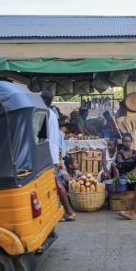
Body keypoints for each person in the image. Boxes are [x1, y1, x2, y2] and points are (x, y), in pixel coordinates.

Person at [41, 91, 76, 222]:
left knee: (57, 184)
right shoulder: (51, 114)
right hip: (51, 154)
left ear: (44, 101)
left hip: (48, 155)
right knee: (52, 184)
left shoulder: (45, 114)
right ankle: (57, 211)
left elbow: (40, 136)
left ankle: (70, 212)